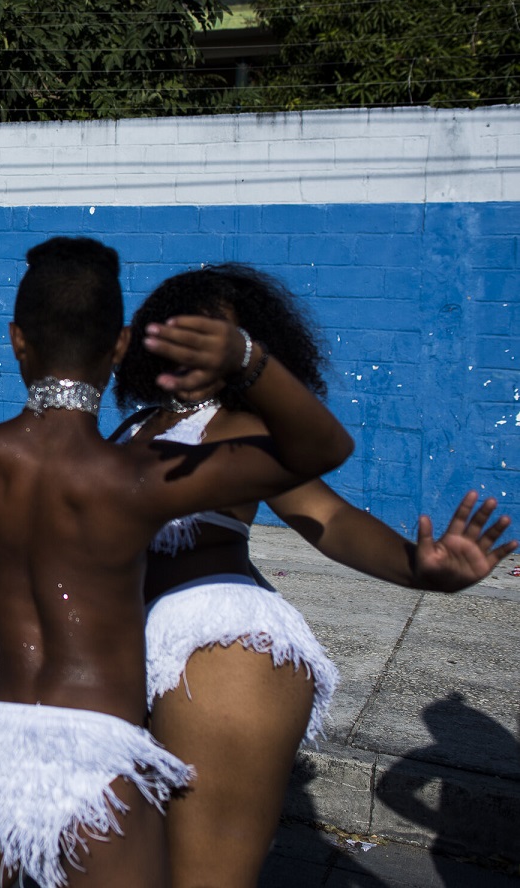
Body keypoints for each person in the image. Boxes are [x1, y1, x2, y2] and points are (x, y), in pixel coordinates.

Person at [0, 239, 353, 888]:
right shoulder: (138, 474)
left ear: (16, 341)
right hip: (103, 765)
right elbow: (324, 447)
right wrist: (249, 359)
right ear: (120, 346)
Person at [105, 264, 517, 888]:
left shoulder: (243, 429)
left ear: (248, 349)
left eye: (215, 334)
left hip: (217, 646)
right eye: (178, 329)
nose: (193, 346)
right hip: (125, 651)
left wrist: (418, 568)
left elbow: (329, 515)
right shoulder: (134, 426)